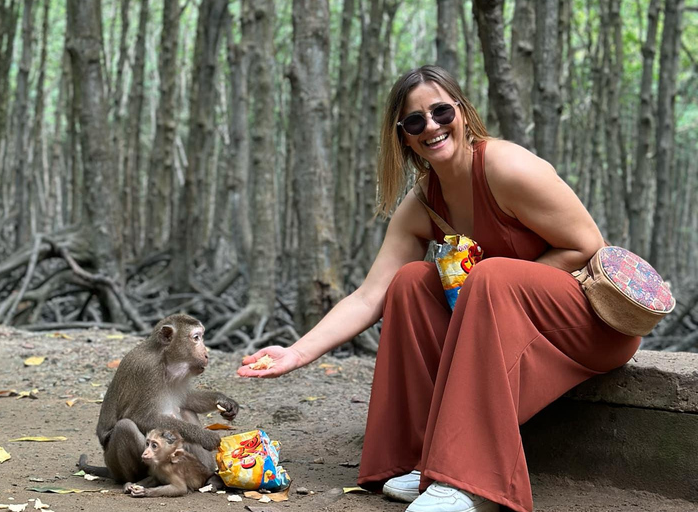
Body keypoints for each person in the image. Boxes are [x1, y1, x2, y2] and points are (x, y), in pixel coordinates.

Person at [236, 65, 640, 512]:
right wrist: (296, 353)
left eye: (441, 111)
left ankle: (471, 481)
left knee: (489, 276)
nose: (431, 126)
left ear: (463, 113)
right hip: (510, 326)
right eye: (415, 121)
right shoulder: (424, 202)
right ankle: (425, 458)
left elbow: (589, 246)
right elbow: (371, 296)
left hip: (590, 326)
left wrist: (504, 288)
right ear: (403, 136)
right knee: (410, 283)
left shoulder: (507, 167)